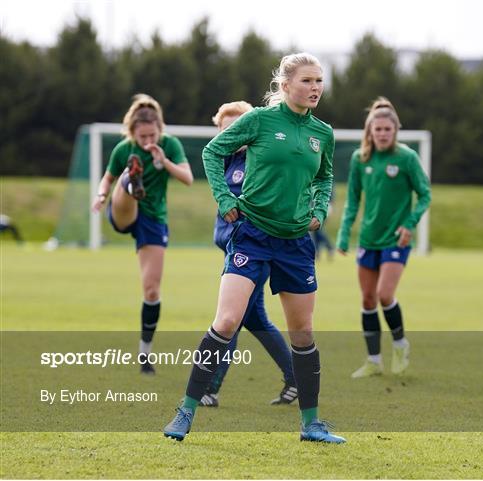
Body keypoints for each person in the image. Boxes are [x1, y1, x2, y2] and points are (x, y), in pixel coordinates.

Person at [164, 53, 345, 443]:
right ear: (285, 85)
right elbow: (212, 153)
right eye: (307, 81)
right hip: (252, 235)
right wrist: (224, 201)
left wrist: (319, 208)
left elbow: (325, 176)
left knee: (303, 332)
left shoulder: (323, 133)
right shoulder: (260, 120)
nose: (315, 88)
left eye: (319, 81)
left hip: (296, 242)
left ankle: (311, 424)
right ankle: (185, 412)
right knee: (227, 321)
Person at [199, 100, 297, 407]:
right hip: (235, 253)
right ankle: (297, 379)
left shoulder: (257, 165)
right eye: (224, 128)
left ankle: (209, 388)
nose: (231, 133)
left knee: (229, 320)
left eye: (236, 126)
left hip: (253, 254)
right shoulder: (224, 164)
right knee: (256, 322)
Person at [92, 93, 193, 374]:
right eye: (143, 137)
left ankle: (145, 353)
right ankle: (130, 180)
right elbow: (106, 177)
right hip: (124, 212)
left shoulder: (170, 145)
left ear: (160, 130)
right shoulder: (124, 149)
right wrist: (101, 195)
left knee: (151, 289)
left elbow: (187, 178)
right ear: (132, 133)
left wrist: (164, 162)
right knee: (123, 182)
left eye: (152, 135)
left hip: (153, 220)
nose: (148, 141)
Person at [336, 97, 431, 378]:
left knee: (384, 294)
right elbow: (352, 200)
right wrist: (343, 234)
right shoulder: (359, 158)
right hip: (368, 239)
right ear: (370, 131)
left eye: (387, 130)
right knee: (367, 300)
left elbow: (424, 194)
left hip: (396, 239)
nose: (382, 134)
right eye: (377, 130)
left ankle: (401, 345)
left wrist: (409, 223)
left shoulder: (407, 158)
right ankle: (373, 361)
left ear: (395, 130)